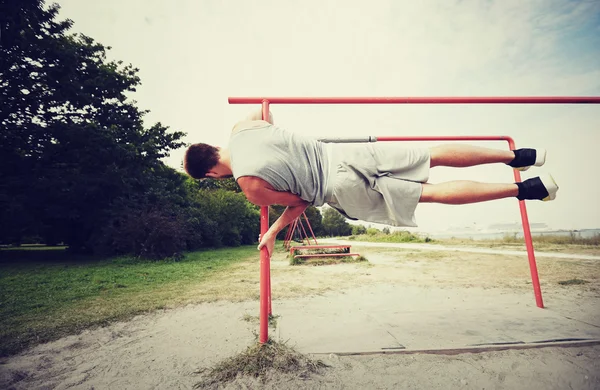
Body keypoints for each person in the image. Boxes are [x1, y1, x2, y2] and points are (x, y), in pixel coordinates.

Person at [183, 110, 558, 257]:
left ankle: (529, 190)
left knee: (429, 195)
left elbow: (300, 203)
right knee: (431, 155)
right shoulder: (242, 128)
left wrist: (273, 232)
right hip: (344, 155)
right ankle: (519, 156)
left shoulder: (248, 185)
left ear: (211, 174)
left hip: (338, 188)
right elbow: (263, 114)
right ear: (213, 147)